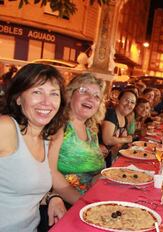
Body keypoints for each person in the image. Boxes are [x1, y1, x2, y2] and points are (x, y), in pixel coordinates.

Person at [0, 63, 67, 231]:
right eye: (37, 92)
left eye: (54, 94)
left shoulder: (48, 136)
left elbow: (28, 188)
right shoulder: (6, 128)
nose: (46, 102)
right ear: (18, 98)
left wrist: (53, 197)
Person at [48, 73, 107, 205]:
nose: (91, 98)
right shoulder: (59, 126)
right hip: (63, 204)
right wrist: (82, 203)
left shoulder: (91, 131)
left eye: (97, 96)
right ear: (70, 95)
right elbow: (50, 172)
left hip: (90, 199)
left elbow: (91, 175)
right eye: (83, 91)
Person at [100, 89, 137, 166]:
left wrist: (121, 141)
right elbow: (108, 140)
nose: (129, 104)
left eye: (132, 102)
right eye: (126, 100)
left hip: (108, 158)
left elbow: (120, 143)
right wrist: (126, 139)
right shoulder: (111, 114)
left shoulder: (124, 118)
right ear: (118, 100)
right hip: (96, 158)